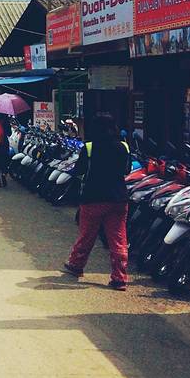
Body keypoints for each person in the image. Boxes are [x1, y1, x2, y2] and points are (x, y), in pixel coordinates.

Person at [64, 113, 131, 290]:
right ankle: (119, 278)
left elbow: (79, 170)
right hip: (118, 199)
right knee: (118, 239)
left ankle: (76, 265)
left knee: (87, 235)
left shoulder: (89, 147)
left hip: (93, 198)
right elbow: (127, 170)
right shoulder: (123, 146)